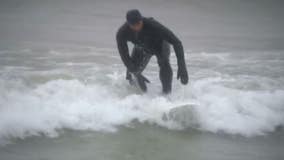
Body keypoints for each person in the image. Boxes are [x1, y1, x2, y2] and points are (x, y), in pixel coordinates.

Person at [116, 9, 188, 94]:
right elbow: (124, 55)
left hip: (160, 45)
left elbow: (176, 42)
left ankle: (166, 95)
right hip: (142, 47)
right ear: (129, 24)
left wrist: (182, 66)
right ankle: (138, 98)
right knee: (131, 74)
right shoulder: (122, 33)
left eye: (139, 23)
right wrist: (135, 72)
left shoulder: (152, 25)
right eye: (134, 25)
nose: (137, 27)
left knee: (164, 62)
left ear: (141, 19)